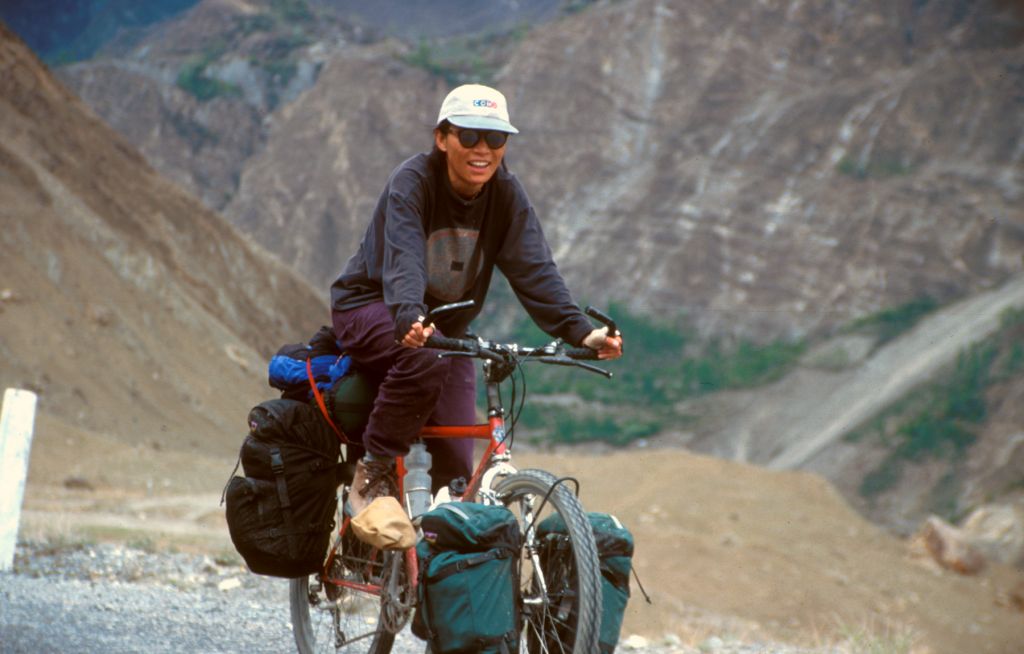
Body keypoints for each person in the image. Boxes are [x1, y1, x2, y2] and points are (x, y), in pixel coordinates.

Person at [330, 83, 624, 534]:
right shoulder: (413, 183)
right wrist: (409, 315)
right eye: (469, 136)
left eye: (495, 138)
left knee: (456, 469)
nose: (482, 149)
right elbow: (404, 255)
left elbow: (534, 268)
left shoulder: (505, 194)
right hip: (375, 308)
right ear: (442, 138)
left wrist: (581, 332)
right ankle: (375, 469)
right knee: (423, 359)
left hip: (444, 330)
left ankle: (433, 572)